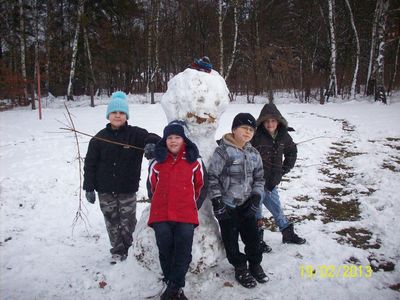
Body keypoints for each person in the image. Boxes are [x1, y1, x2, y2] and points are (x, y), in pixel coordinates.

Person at [83, 91, 160, 264]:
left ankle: (131, 248)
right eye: (114, 113)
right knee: (111, 220)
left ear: (126, 115)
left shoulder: (135, 134)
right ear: (108, 115)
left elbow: (153, 137)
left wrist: (150, 144)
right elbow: (90, 165)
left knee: (128, 221)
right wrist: (88, 187)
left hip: (127, 188)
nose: (118, 116)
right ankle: (117, 250)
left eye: (121, 113)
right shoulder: (98, 138)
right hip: (104, 189)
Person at [208, 113, 268, 289]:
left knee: (253, 238)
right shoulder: (223, 151)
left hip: (247, 204)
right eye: (244, 128)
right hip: (227, 206)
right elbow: (212, 177)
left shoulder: (254, 153)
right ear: (234, 129)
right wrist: (217, 202)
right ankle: (240, 267)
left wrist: (257, 196)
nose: (248, 132)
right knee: (231, 240)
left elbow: (259, 178)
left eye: (251, 129)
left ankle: (255, 264)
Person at [148, 120, 205, 300]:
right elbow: (152, 187)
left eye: (177, 137)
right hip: (161, 213)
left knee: (183, 249)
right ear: (164, 140)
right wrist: (161, 201)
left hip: (185, 213)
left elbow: (200, 186)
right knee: (165, 248)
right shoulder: (157, 162)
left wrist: (190, 202)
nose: (173, 141)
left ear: (184, 140)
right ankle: (174, 287)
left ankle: (172, 288)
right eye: (169, 137)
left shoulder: (194, 161)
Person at [252, 103, 306, 251]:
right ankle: (257, 241)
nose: (270, 124)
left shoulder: (283, 136)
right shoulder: (256, 136)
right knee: (256, 213)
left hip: (272, 183)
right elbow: (241, 145)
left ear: (278, 122)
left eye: (273, 121)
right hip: (256, 184)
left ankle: (287, 234)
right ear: (262, 122)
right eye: (267, 121)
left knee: (277, 209)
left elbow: (292, 151)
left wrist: (283, 170)